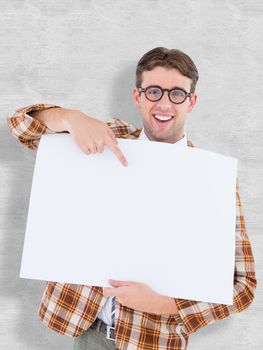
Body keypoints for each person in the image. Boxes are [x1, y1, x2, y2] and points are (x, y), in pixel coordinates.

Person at [7, 47, 257, 350]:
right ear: (137, 97)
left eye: (177, 93)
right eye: (154, 91)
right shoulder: (106, 139)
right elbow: (22, 125)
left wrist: (167, 305)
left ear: (191, 101)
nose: (164, 103)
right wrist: (70, 118)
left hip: (152, 341)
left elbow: (243, 287)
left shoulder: (213, 179)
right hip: (88, 334)